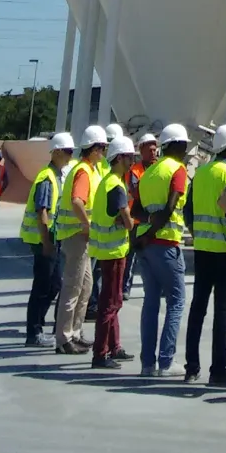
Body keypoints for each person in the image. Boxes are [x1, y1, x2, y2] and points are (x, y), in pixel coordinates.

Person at [184, 123, 226, 389]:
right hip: (225, 252)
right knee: (222, 311)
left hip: (203, 249)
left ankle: (191, 366)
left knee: (197, 308)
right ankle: (218, 369)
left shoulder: (200, 174)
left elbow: (187, 211)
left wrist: (197, 234)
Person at [133, 121, 190, 378]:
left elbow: (135, 209)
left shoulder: (150, 172)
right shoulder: (177, 170)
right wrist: (154, 232)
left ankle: (147, 364)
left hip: (146, 246)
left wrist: (145, 234)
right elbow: (170, 207)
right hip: (165, 243)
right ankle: (166, 362)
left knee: (151, 303)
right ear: (179, 145)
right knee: (176, 301)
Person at [54, 125, 108, 353]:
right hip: (76, 235)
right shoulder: (83, 172)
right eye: (103, 148)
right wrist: (86, 225)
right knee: (73, 287)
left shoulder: (89, 170)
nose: (104, 153)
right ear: (94, 149)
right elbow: (78, 201)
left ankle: (75, 332)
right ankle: (64, 339)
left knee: (85, 287)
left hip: (82, 236)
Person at [20, 132, 74, 348]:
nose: (71, 156)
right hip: (44, 240)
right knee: (42, 286)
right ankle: (33, 333)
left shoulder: (56, 175)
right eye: (68, 152)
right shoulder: (47, 178)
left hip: (52, 238)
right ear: (57, 151)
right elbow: (42, 213)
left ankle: (38, 327)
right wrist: (47, 243)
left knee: (53, 285)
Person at [88, 134, 136, 369]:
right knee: (110, 303)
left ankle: (114, 347)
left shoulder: (107, 181)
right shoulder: (116, 186)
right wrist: (130, 221)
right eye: (129, 157)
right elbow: (126, 221)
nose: (132, 161)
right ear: (119, 158)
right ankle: (100, 354)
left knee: (111, 301)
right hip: (114, 253)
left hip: (105, 251)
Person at [123, 133, 158, 298]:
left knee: (156, 256)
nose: (153, 153)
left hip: (153, 220)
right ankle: (125, 288)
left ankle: (158, 287)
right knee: (132, 256)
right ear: (141, 150)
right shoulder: (134, 171)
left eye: (155, 149)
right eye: (149, 149)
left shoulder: (159, 168)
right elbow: (136, 192)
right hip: (136, 220)